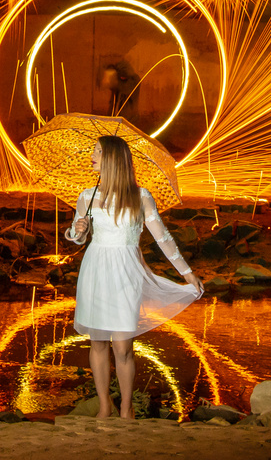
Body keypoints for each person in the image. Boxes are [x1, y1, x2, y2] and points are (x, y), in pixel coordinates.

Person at [65, 135, 202, 419]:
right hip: (96, 269)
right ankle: (105, 406)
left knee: (123, 345)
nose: (92, 156)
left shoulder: (141, 197)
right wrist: (77, 230)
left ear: (113, 159)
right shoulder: (86, 196)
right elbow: (78, 239)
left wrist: (187, 274)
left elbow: (163, 238)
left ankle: (126, 408)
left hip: (127, 271)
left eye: (98, 152)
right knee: (98, 341)